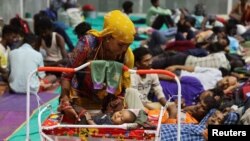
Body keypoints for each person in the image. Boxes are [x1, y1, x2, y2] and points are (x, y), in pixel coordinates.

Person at [59, 10, 136, 121]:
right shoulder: (87, 44)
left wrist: (119, 99)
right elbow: (67, 74)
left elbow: (124, 85)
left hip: (107, 102)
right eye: (121, 44)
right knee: (80, 121)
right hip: (79, 98)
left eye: (128, 45)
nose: (124, 49)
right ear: (108, 38)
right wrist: (65, 101)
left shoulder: (127, 56)